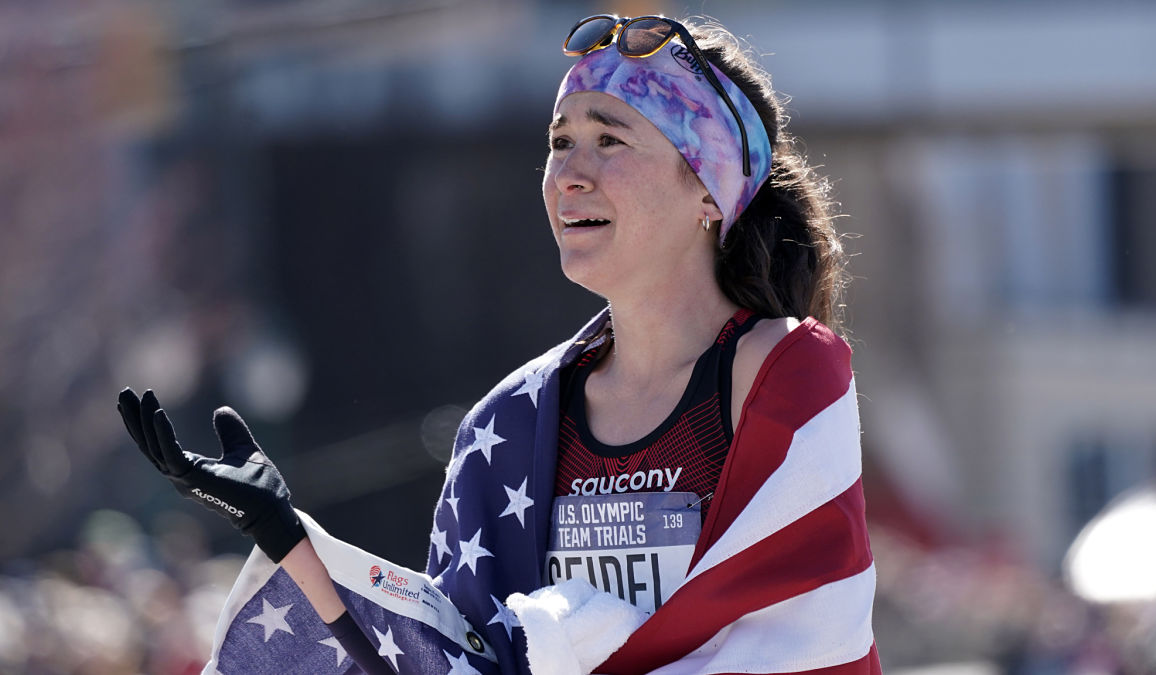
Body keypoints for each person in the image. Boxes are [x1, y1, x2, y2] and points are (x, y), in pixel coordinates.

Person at [118, 13, 879, 675]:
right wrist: (291, 540)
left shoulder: (784, 371)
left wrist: (566, 646)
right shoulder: (505, 424)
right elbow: (448, 657)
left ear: (709, 191)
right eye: (559, 141)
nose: (568, 174)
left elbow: (794, 646)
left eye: (609, 140)